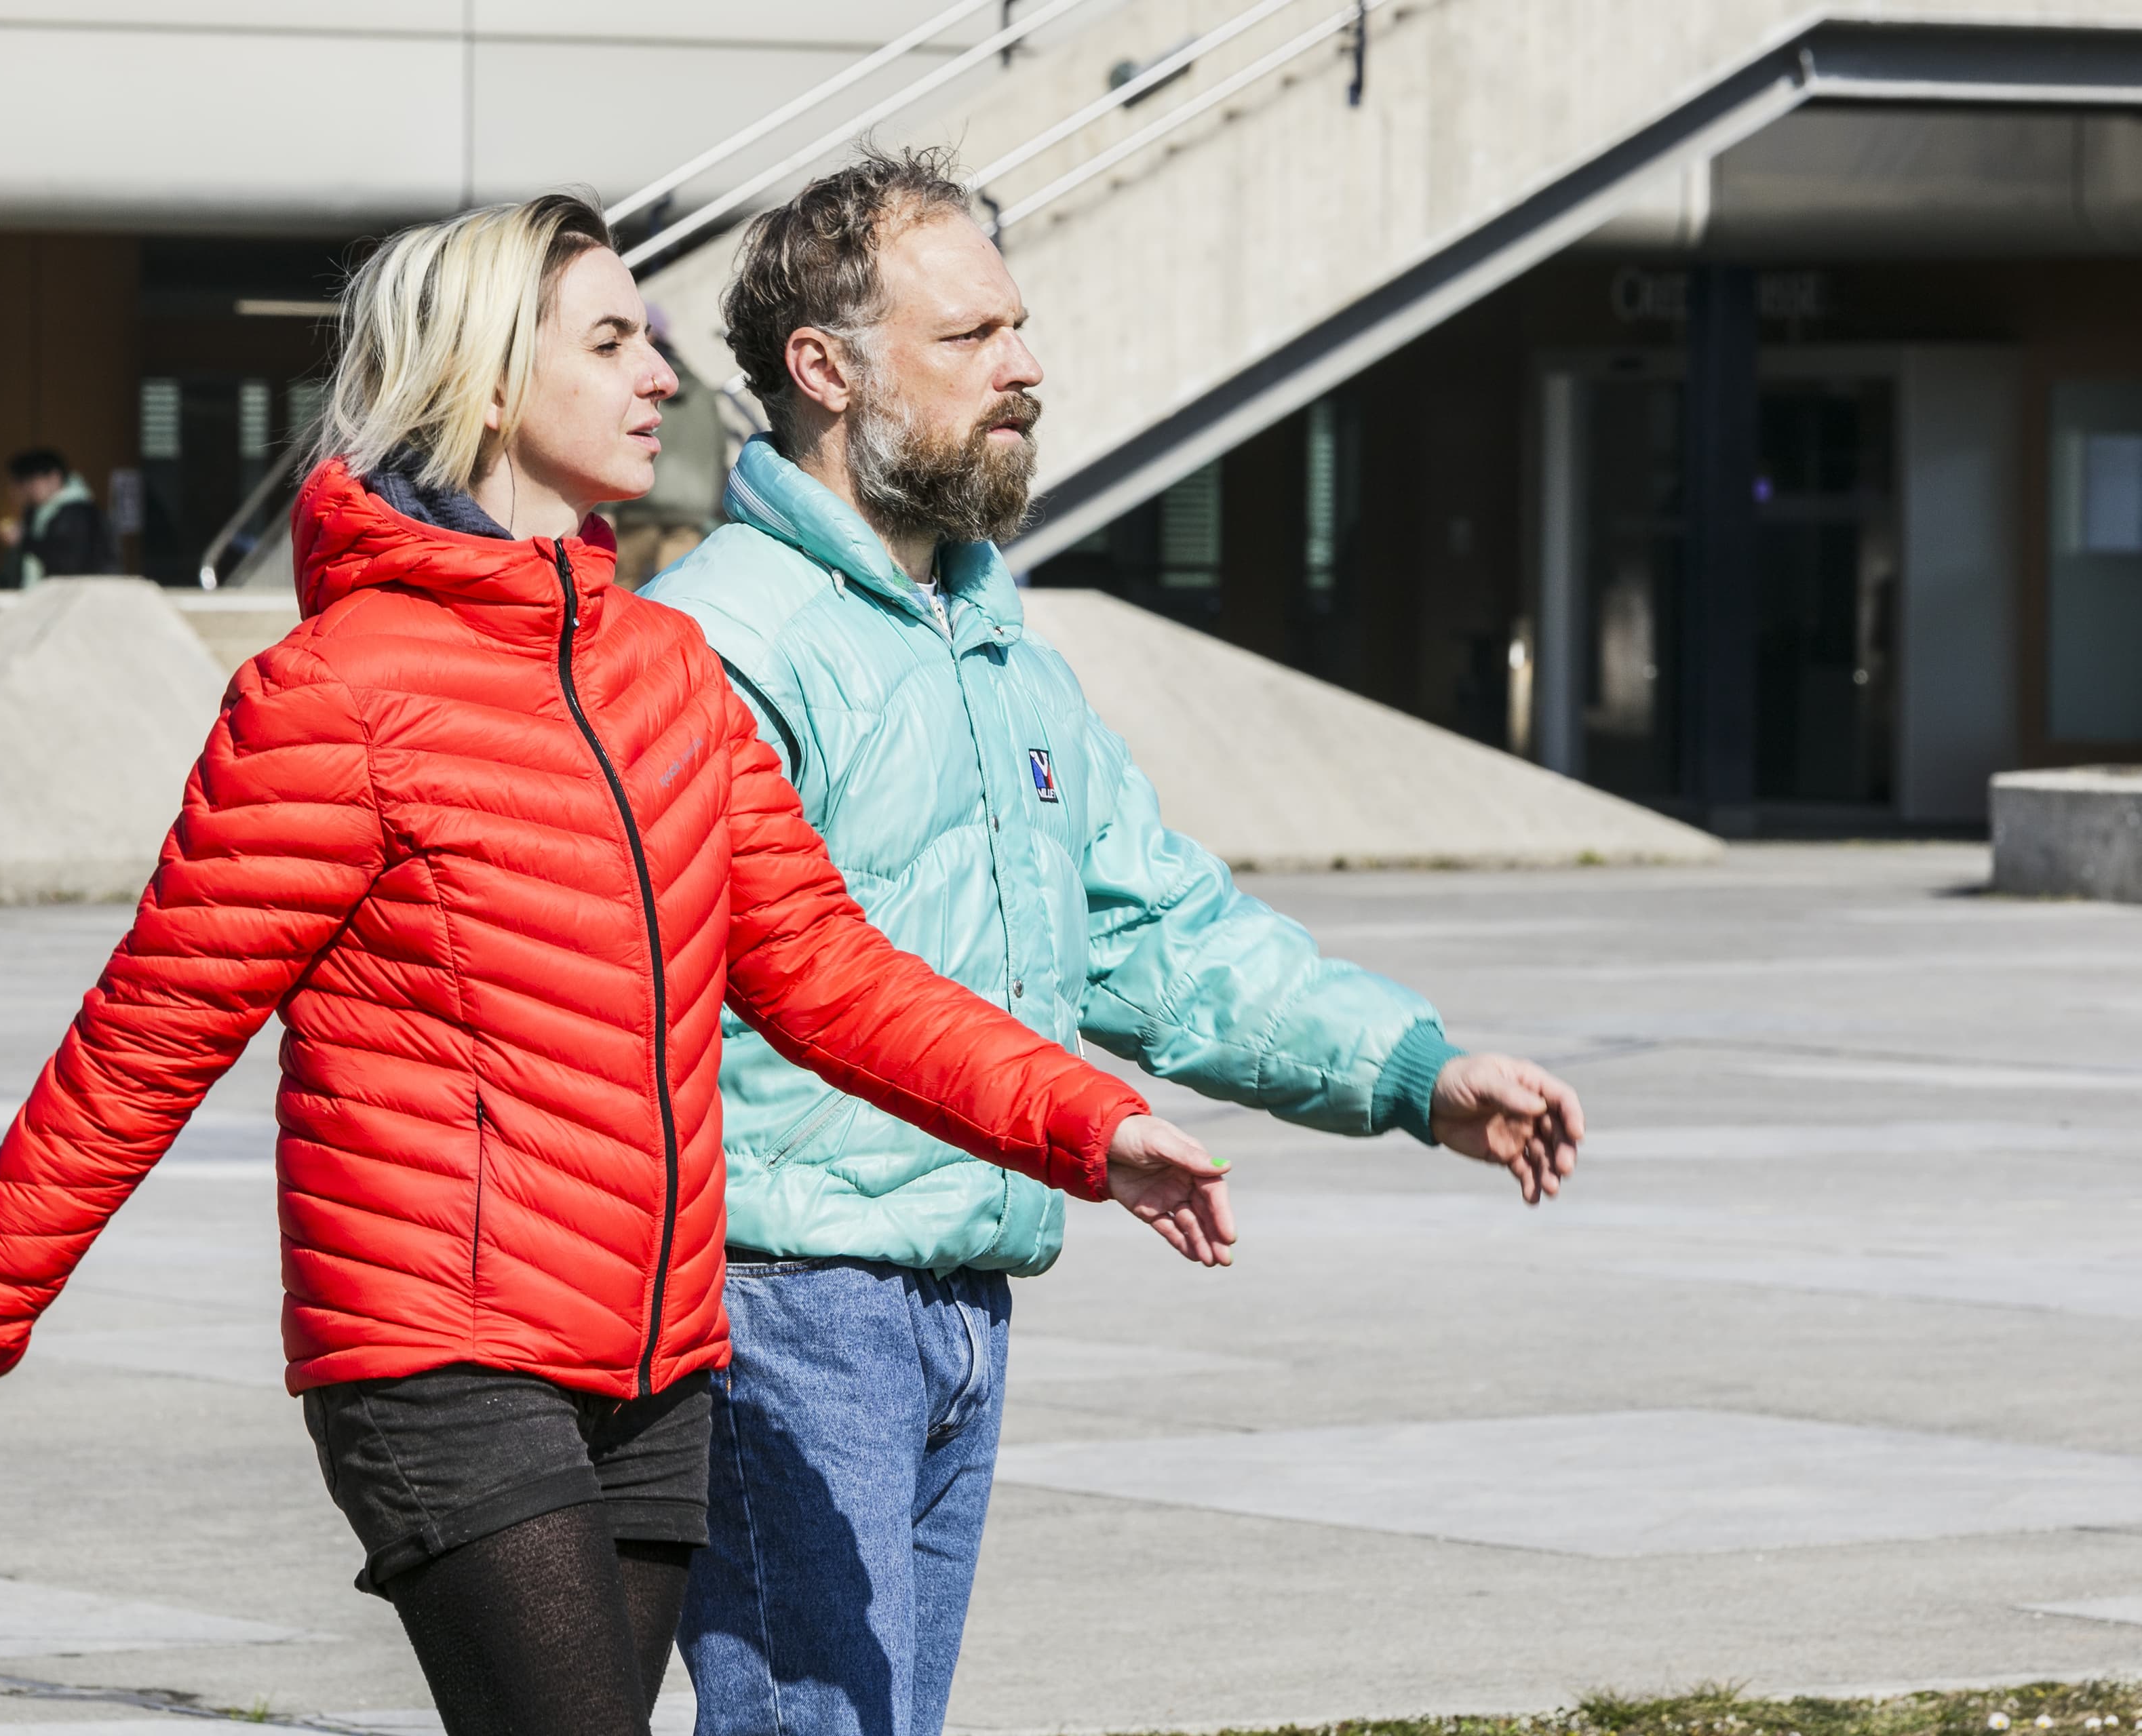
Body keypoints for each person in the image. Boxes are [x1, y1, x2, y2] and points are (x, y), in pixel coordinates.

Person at [0, 194, 1236, 1736]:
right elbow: (149, 1034)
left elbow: (830, 971)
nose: (660, 377)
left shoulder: (666, 674)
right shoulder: (334, 698)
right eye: (611, 342)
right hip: (441, 1359)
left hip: (654, 1365)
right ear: (491, 380)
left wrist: (1084, 1123)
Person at [640, 148, 1589, 1736]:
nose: (1024, 367)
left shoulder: (999, 647)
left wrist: (1411, 1069)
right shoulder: (719, 644)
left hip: (964, 1294)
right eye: (970, 337)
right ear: (824, 369)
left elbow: (1156, 929)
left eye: (1019, 326)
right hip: (786, 1299)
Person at [0, 446, 116, 586]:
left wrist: (24, 541)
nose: (28, 489)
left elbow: (66, 563)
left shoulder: (77, 513)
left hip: (78, 594)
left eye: (32, 481)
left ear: (54, 477)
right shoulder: (38, 513)